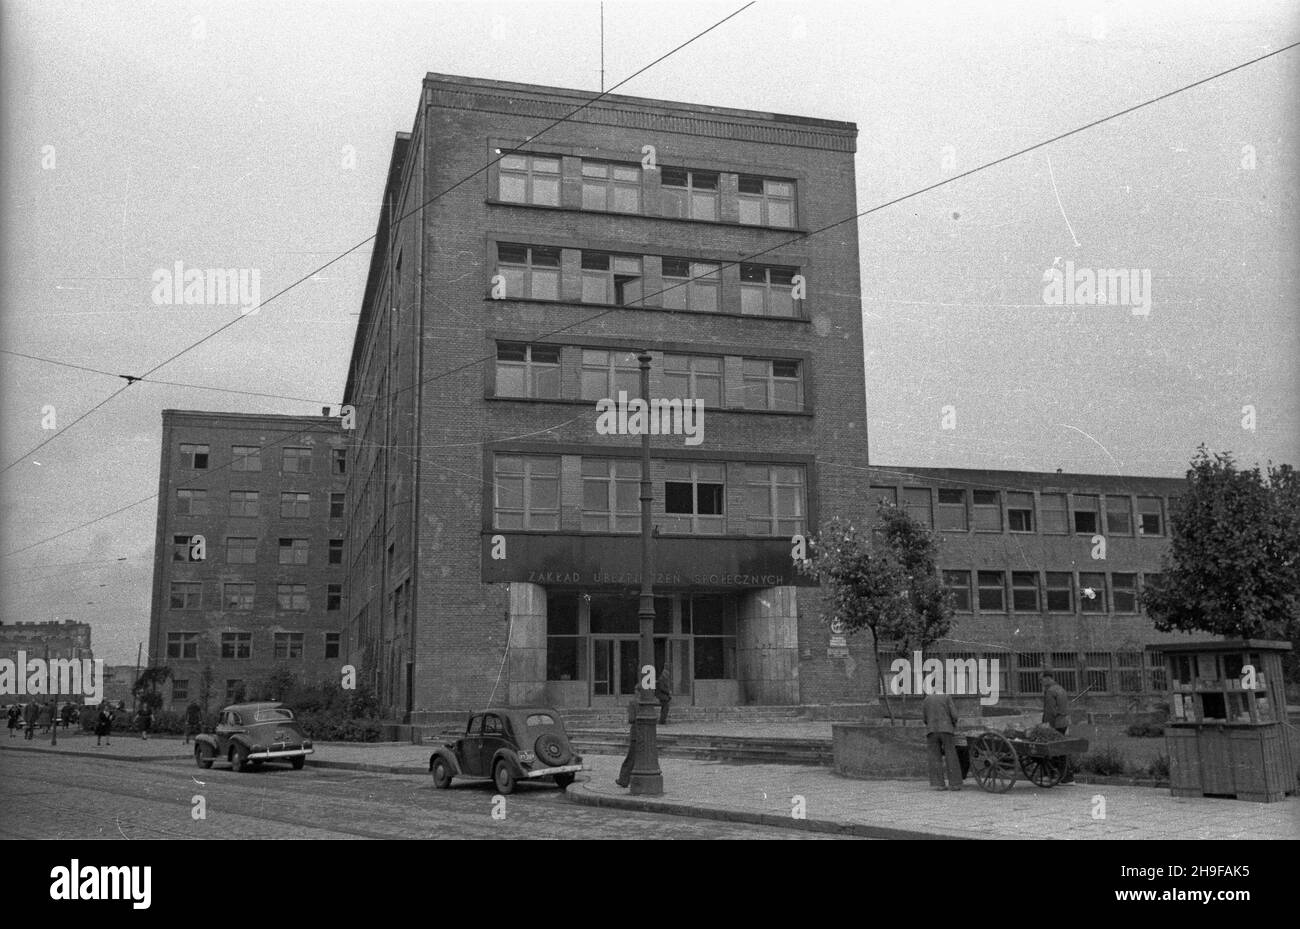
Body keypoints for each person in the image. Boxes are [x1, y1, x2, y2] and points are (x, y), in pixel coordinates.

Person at [922, 687, 962, 791]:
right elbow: (954, 715)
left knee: (935, 756)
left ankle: (939, 784)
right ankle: (954, 784)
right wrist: (953, 723)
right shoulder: (947, 697)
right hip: (946, 730)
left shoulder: (927, 699)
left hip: (931, 731)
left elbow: (924, 718)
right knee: (951, 755)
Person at [1041, 671, 1075, 784]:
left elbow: (1050, 711)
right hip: (1064, 722)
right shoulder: (1060, 689)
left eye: (1042, 680)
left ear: (1047, 678)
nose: (1041, 682)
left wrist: (1046, 727)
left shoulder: (1050, 691)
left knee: (1052, 751)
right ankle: (1067, 777)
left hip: (1055, 723)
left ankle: (1053, 775)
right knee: (1061, 750)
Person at [615, 698, 638, 788]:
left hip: (636, 733)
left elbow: (631, 719)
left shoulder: (633, 702)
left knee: (630, 758)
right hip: (646, 733)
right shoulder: (649, 702)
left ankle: (623, 779)